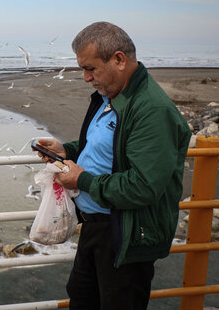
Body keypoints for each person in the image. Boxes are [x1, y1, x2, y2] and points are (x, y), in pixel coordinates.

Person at [35, 22, 191, 310]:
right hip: (98, 228)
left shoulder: (151, 110)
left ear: (119, 59)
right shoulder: (112, 96)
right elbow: (107, 147)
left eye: (91, 68)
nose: (85, 77)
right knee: (82, 298)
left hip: (126, 234)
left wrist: (82, 181)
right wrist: (66, 150)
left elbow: (144, 187)